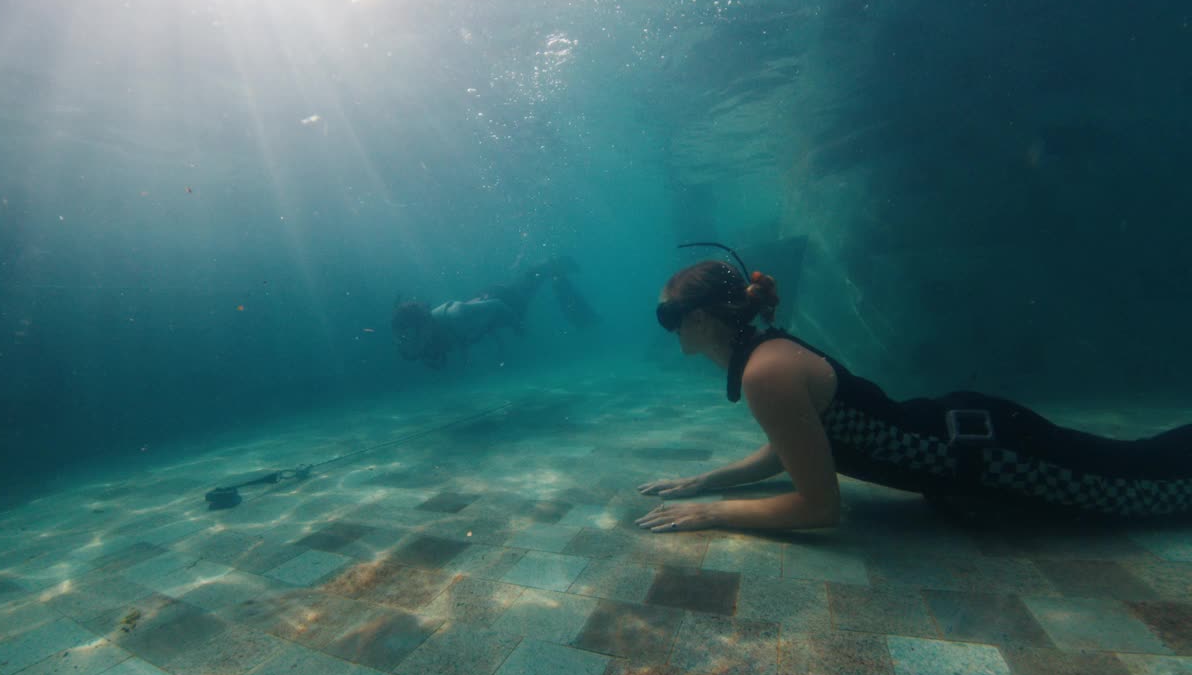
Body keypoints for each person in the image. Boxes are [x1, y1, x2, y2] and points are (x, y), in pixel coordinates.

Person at [636, 244, 1192, 533]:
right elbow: (793, 444)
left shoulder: (765, 372)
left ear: (704, 318)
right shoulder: (765, 358)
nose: (667, 328)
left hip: (993, 455)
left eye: (668, 316)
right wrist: (707, 481)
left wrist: (716, 513)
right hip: (970, 434)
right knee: (1150, 466)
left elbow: (819, 507)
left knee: (1158, 486)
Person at [392, 256, 597, 369]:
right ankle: (539, 270)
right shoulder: (429, 334)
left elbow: (497, 305)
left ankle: (546, 266)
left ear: (423, 324)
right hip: (493, 309)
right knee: (525, 286)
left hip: (503, 300)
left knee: (527, 289)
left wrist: (518, 325)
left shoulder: (455, 314)